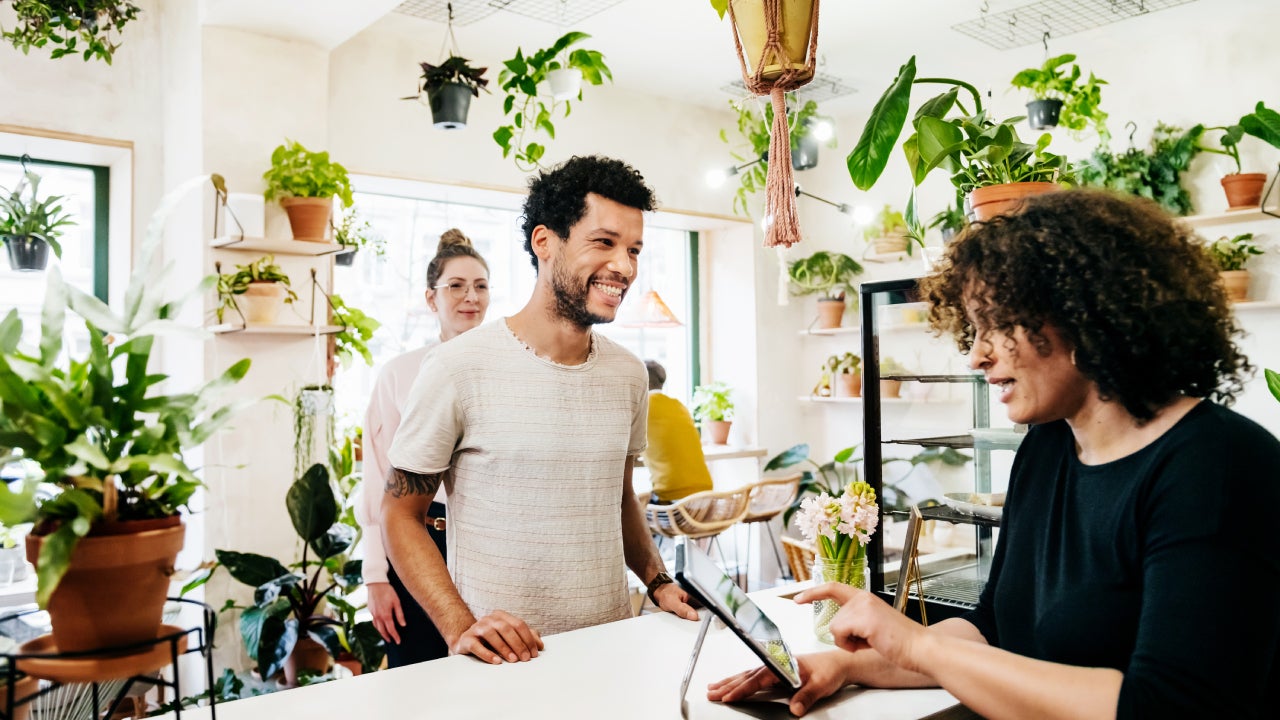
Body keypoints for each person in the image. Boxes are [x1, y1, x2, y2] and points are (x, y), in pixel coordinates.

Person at [708, 189, 1280, 718]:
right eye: (974, 329)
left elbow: (1168, 706)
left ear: (1083, 314)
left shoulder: (1219, 464)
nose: (977, 355)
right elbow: (992, 631)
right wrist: (848, 665)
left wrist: (917, 643)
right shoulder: (1050, 447)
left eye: (997, 325)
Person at [383, 155, 699, 666]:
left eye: (634, 249)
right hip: (503, 668)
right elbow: (400, 514)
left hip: (613, 651)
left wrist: (658, 580)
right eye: (604, 242)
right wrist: (459, 627)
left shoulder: (629, 375)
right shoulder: (455, 367)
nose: (625, 266)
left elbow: (617, 497)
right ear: (545, 242)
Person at [357, 228, 490, 667]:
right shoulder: (400, 374)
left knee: (493, 677)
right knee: (417, 683)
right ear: (432, 299)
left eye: (480, 286)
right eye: (456, 286)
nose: (470, 296)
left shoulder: (506, 371)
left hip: (491, 544)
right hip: (418, 540)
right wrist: (376, 576)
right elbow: (378, 480)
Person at [643, 359, 713, 503]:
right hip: (706, 498)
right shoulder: (678, 405)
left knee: (628, 514)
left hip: (674, 504)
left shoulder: (641, 407)